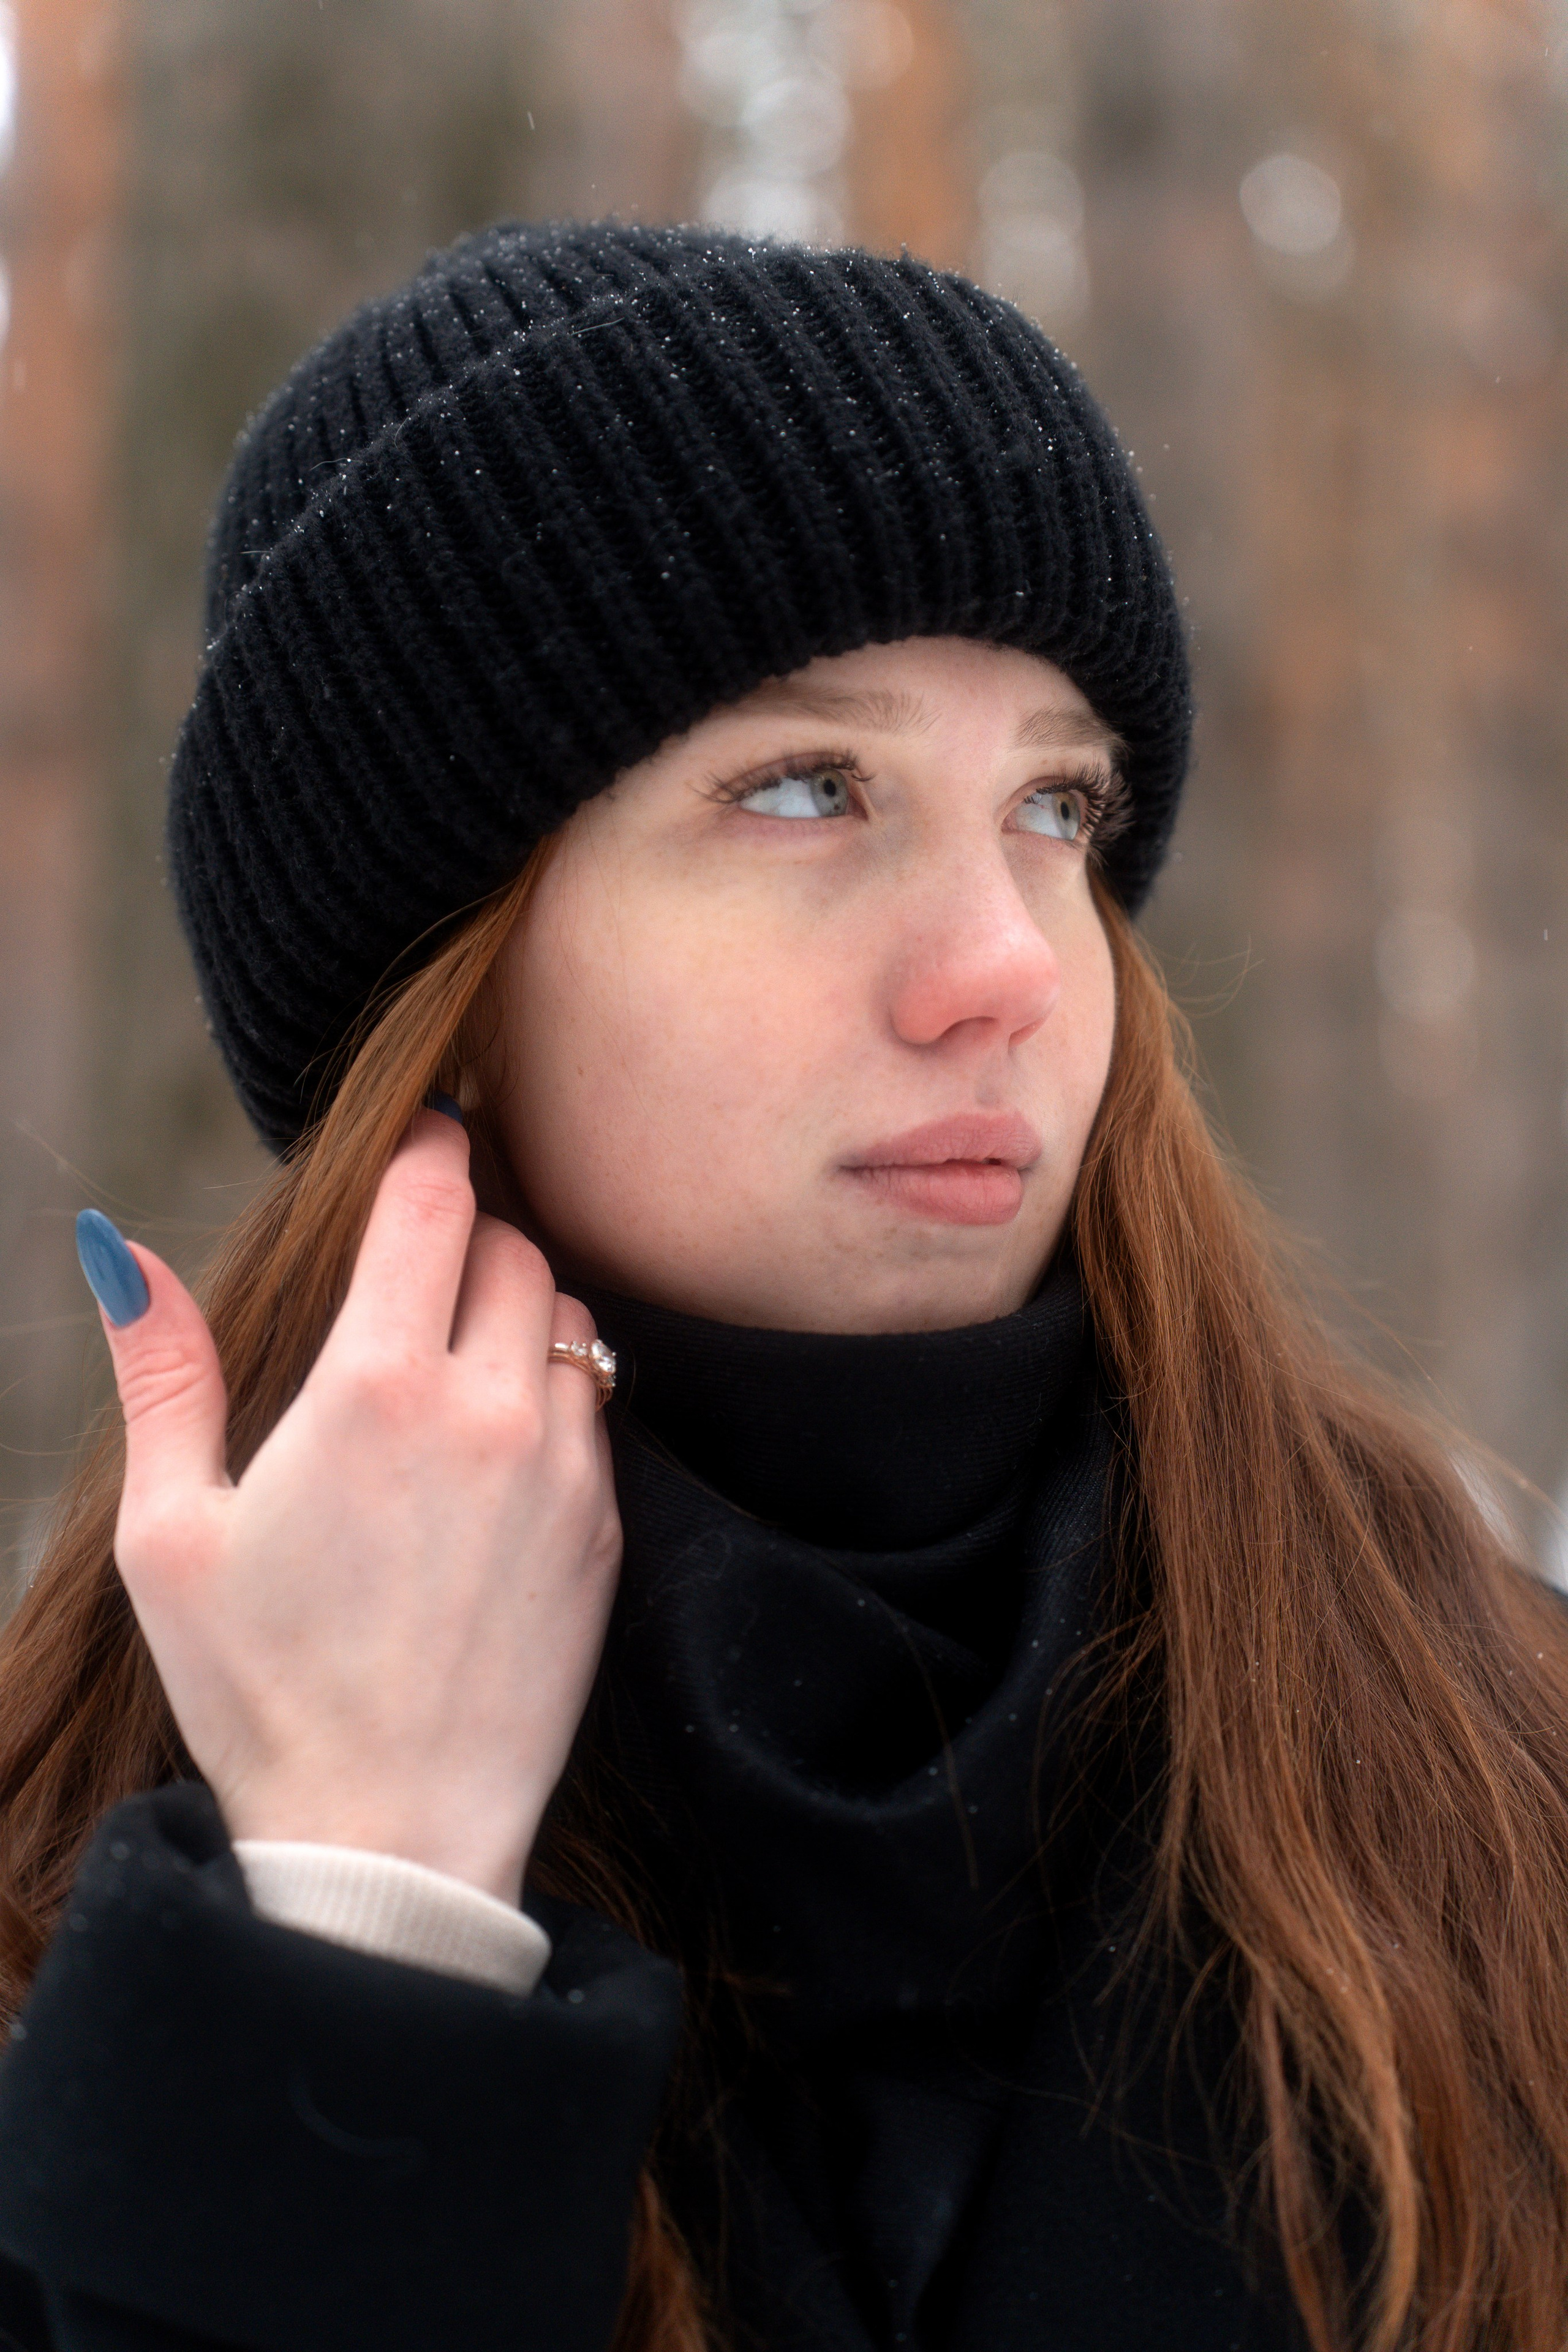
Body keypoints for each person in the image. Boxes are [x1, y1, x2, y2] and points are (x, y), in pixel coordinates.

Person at [0, 221, 1562, 2352]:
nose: (1012, 964)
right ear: (437, 990)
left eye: (1057, 805)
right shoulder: (67, 1877)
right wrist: (358, 1914)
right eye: (807, 788)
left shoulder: (1494, 1756)